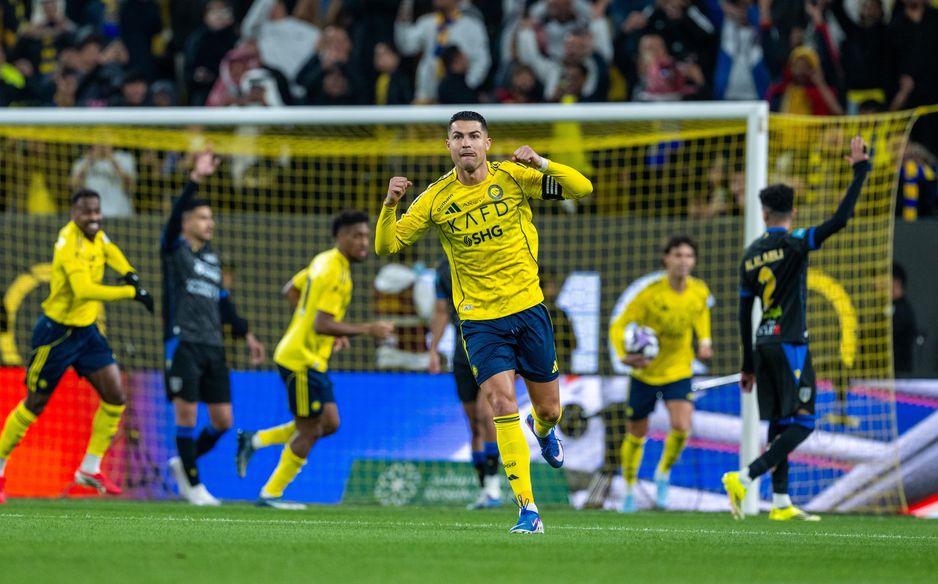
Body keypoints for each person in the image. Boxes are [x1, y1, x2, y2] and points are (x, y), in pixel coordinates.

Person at [375, 110, 593, 534]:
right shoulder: (436, 198)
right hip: (479, 320)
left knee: (549, 408)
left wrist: (542, 163)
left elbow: (582, 188)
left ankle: (544, 430)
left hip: (529, 310)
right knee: (499, 404)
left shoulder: (514, 177)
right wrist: (389, 205)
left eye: (474, 136)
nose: (466, 143)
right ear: (449, 146)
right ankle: (527, 509)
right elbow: (388, 245)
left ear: (487, 143)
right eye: (458, 137)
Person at [725, 135, 870, 522]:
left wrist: (747, 363)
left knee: (779, 423)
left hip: (761, 344)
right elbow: (840, 220)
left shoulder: (751, 254)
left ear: (764, 212)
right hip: (790, 343)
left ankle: (781, 502)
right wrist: (861, 171)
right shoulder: (796, 243)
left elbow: (744, 312)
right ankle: (745, 476)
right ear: (791, 210)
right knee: (804, 422)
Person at [0, 189, 155, 504]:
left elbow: (110, 251)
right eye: (87, 212)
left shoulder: (95, 235)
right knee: (34, 404)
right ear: (74, 214)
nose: (94, 218)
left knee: (115, 396)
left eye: (97, 211)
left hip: (87, 333)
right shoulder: (68, 244)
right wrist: (131, 293)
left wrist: (131, 274)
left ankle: (89, 468)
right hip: (55, 334)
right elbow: (84, 290)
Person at [234, 211, 394, 509]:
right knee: (308, 429)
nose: (364, 242)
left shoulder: (325, 261)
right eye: (356, 236)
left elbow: (291, 290)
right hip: (301, 360)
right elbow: (322, 323)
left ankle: (255, 440)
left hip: (312, 359)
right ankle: (271, 493)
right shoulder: (332, 271)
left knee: (330, 423)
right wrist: (366, 328)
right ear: (340, 237)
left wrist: (319, 325)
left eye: (365, 235)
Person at [162, 145, 266, 506]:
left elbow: (223, 302)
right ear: (188, 222)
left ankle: (183, 463)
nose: (211, 223)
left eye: (211, 218)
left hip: (213, 347)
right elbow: (172, 220)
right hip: (183, 343)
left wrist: (247, 334)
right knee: (187, 413)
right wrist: (195, 179)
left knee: (223, 420)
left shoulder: (210, 258)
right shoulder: (175, 251)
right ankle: (193, 484)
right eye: (204, 218)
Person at [609, 235, 712, 512]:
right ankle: (629, 489)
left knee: (681, 425)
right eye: (678, 255)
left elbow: (701, 315)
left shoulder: (699, 291)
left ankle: (663, 473)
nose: (683, 261)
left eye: (689, 256)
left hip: (678, 369)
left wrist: (705, 342)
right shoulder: (650, 294)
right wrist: (624, 355)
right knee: (636, 433)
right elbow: (619, 326)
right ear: (666, 259)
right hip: (645, 373)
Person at [428, 255, 501, 509]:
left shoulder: (485, 257)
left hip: (491, 347)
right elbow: (441, 311)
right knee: (473, 423)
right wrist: (434, 349)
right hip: (462, 353)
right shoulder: (442, 270)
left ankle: (495, 484)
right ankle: (485, 489)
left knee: (485, 414)